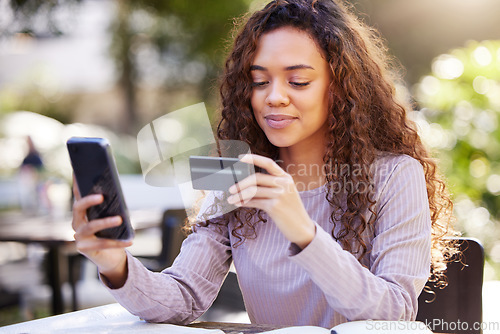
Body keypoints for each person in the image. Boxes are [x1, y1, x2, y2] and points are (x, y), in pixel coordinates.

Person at [72, 0, 458, 328]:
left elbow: (394, 315)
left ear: (340, 87)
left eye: (298, 82)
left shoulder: (394, 174)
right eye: (259, 82)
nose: (273, 97)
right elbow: (183, 298)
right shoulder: (233, 174)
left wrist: (302, 230)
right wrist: (115, 263)